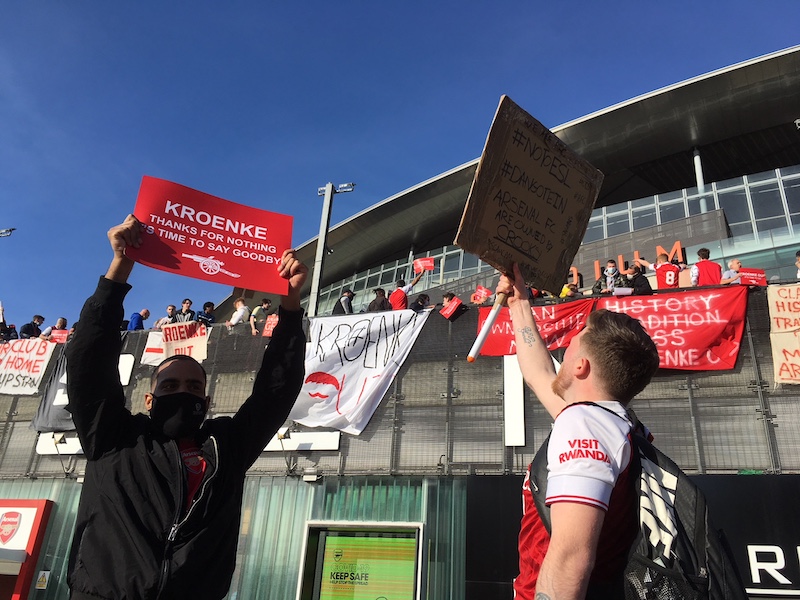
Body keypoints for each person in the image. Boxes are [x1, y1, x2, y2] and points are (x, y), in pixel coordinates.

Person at [65, 214, 307, 600]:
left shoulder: (227, 447)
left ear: (207, 401)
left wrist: (290, 304)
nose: (183, 392)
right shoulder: (113, 438)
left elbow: (276, 390)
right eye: (171, 385)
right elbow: (88, 362)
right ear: (150, 398)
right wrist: (120, 269)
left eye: (194, 386)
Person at [497, 263, 660, 600]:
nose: (565, 349)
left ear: (580, 366)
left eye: (572, 342)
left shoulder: (585, 427)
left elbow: (571, 558)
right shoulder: (609, 422)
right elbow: (539, 371)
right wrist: (519, 303)